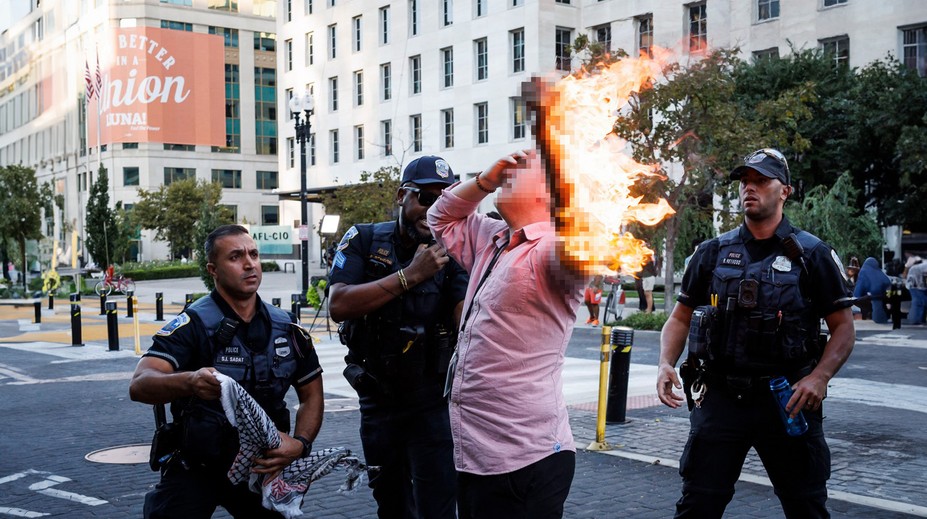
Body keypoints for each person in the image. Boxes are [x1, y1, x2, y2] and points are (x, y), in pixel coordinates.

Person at [656, 148, 855, 518]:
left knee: (806, 506)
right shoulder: (712, 253)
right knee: (699, 503)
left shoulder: (812, 255)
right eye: (746, 181)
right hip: (720, 399)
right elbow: (680, 317)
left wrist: (820, 377)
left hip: (787, 400)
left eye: (762, 180)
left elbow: (844, 328)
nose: (750, 187)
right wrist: (666, 362)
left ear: (785, 191)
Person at [427, 149, 584, 519]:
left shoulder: (554, 249)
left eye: (525, 170)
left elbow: (579, 260)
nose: (511, 170)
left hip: (526, 458)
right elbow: (440, 217)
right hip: (476, 453)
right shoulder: (493, 238)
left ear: (549, 193)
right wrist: (485, 179)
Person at [129, 225, 324, 519]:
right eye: (235, 257)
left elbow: (312, 395)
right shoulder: (194, 323)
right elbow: (140, 383)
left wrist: (301, 443)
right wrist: (189, 381)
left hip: (261, 468)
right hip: (199, 466)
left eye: (253, 254)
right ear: (213, 269)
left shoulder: (286, 326)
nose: (249, 264)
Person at [328, 155, 468, 519]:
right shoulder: (364, 238)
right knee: (391, 504)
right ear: (402, 195)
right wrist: (410, 276)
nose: (434, 209)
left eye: (445, 200)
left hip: (432, 402)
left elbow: (466, 318)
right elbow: (339, 304)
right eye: (425, 198)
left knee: (438, 505)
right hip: (379, 399)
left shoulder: (452, 252)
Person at [853, 257, 892, 324]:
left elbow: (859, 287)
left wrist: (856, 297)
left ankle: (871, 318)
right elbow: (888, 283)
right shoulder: (880, 272)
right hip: (884, 295)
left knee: (870, 305)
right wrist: (888, 299)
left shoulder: (864, 271)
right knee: (880, 306)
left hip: (873, 295)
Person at [905, 259, 927, 325]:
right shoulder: (922, 267)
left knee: (919, 302)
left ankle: (917, 319)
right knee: (919, 303)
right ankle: (915, 320)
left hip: (913, 286)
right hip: (918, 286)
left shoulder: (915, 267)